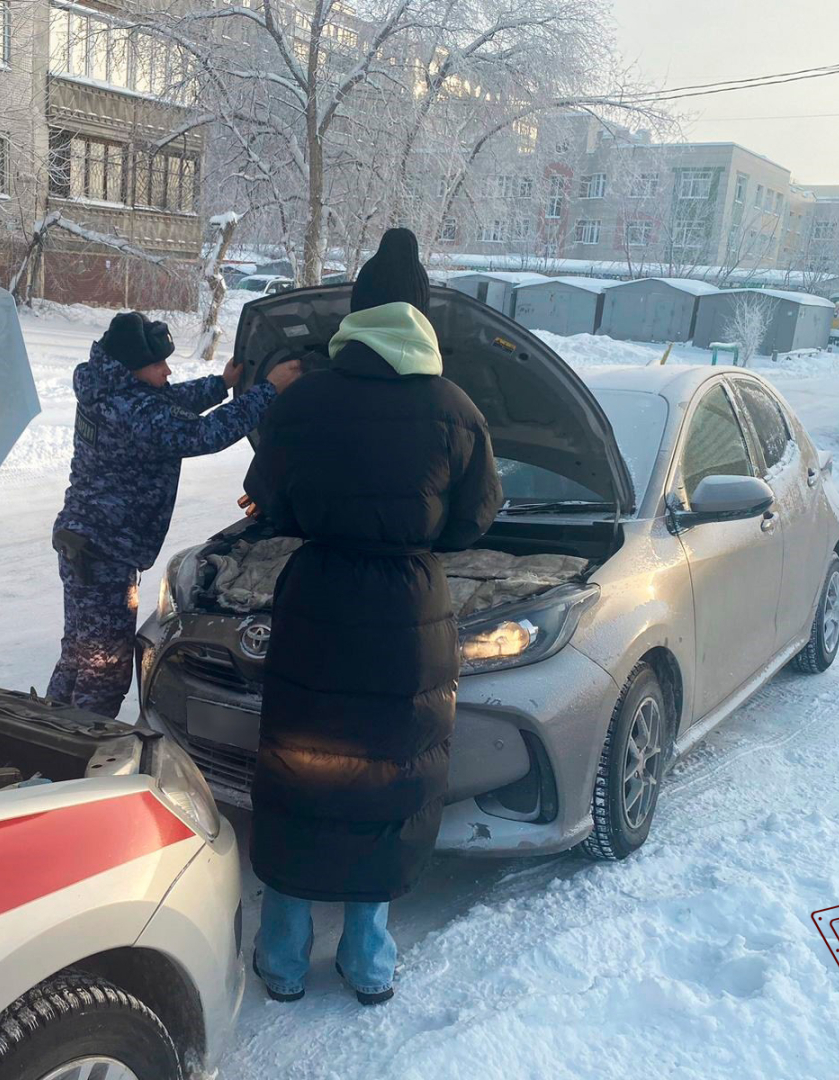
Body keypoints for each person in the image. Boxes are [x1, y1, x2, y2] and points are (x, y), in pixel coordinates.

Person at [241, 228, 503, 1005]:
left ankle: (282, 961)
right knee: (387, 782)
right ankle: (369, 962)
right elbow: (473, 522)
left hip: (316, 604)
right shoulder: (456, 409)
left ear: (357, 316)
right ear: (421, 320)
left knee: (303, 777)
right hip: (408, 615)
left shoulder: (305, 400)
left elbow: (271, 503)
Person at [48, 312, 300, 718]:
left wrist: (221, 385)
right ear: (132, 368)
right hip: (106, 554)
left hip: (84, 542)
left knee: (79, 654)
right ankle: (78, 756)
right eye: (158, 364)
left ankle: (47, 733)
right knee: (105, 670)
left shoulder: (107, 388)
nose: (167, 370)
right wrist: (269, 390)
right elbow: (205, 434)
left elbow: (168, 398)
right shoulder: (135, 412)